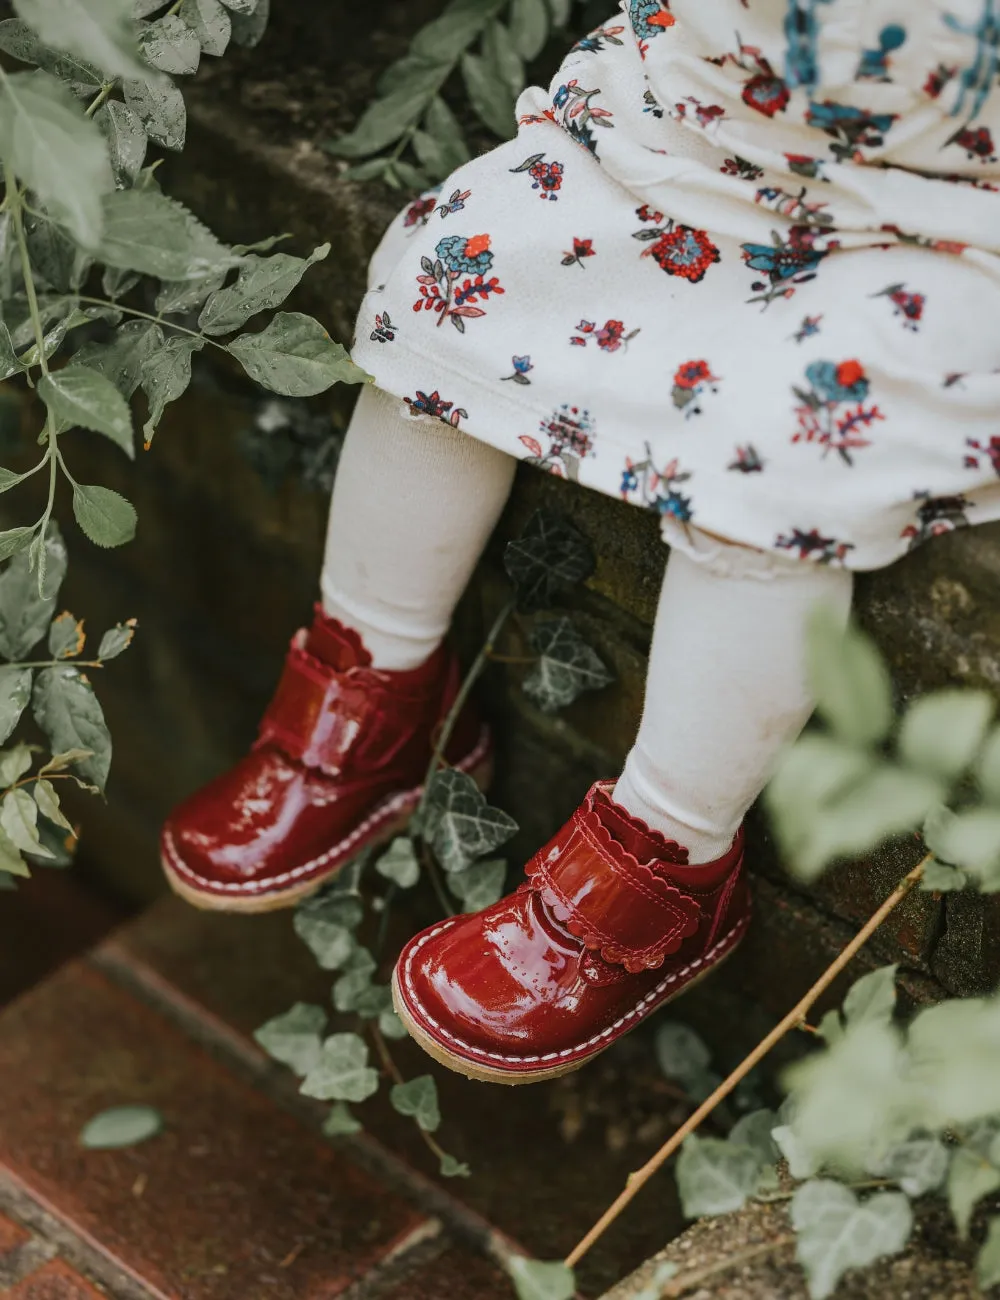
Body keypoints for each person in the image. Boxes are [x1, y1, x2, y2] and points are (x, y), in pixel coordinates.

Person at [160, 0, 1000, 1084]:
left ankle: (670, 863)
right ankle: (373, 689)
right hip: (693, 141)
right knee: (444, 286)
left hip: (938, 221)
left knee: (776, 467)